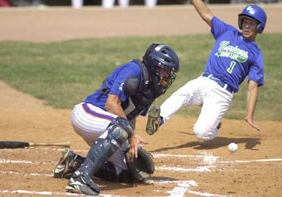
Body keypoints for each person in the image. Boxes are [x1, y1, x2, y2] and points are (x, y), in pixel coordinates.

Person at [53, 43, 180, 195]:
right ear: (153, 65)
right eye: (164, 70)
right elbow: (111, 104)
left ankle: (73, 163)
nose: (167, 76)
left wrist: (131, 139)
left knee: (128, 173)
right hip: (87, 113)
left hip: (109, 125)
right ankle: (80, 179)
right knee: (123, 128)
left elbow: (130, 116)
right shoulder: (133, 70)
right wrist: (131, 134)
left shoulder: (152, 89)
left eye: (169, 73)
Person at [146, 1, 266, 141]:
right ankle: (159, 119)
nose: (247, 26)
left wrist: (250, 115)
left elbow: (252, 87)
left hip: (222, 93)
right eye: (245, 22)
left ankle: (214, 126)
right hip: (205, 80)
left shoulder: (256, 54)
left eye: (252, 23)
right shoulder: (227, 32)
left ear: (260, 27)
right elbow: (206, 15)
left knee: (201, 133)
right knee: (183, 92)